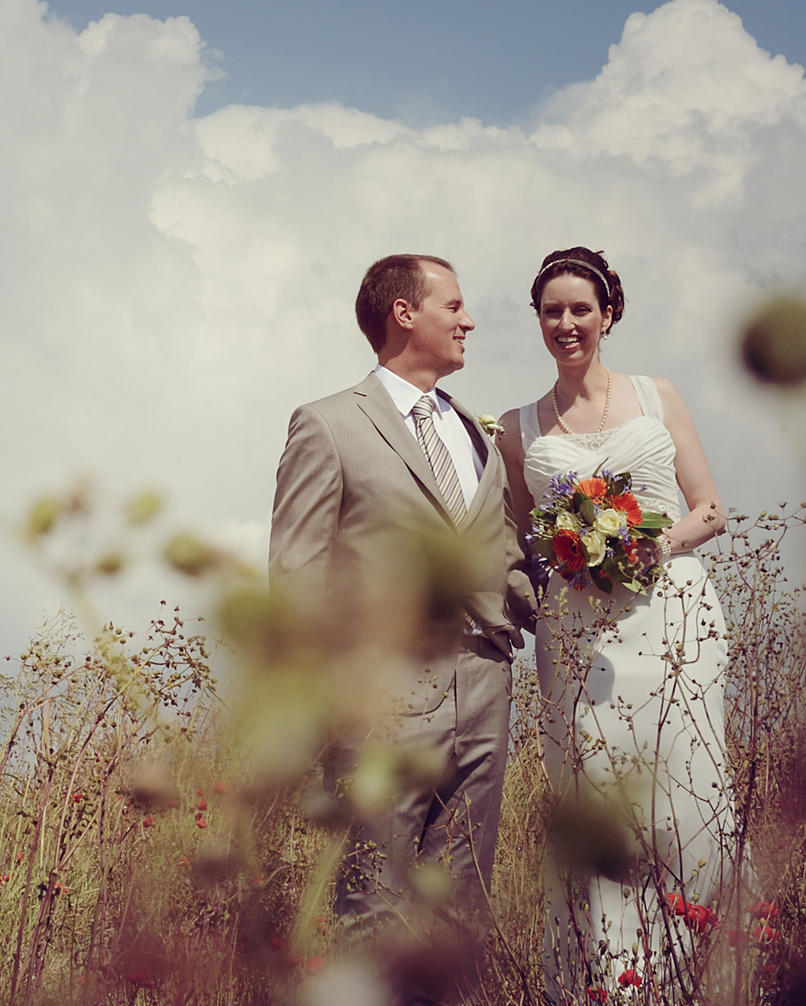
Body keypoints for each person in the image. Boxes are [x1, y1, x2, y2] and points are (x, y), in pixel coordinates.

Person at [270, 254, 535, 1001]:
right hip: (381, 695)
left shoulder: (477, 430)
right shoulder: (327, 424)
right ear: (404, 314)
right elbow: (295, 577)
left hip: (485, 685)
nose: (469, 319)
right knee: (374, 903)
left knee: (463, 908)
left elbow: (502, 548)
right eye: (453, 305)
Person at [494, 247, 730, 1001]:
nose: (566, 323)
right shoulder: (517, 426)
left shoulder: (657, 396)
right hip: (579, 640)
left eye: (579, 309)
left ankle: (711, 971)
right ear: (537, 320)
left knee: (685, 793)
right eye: (551, 311)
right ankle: (615, 985)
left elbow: (712, 510)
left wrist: (652, 544)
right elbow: (520, 545)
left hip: (673, 618)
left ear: (608, 314)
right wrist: (564, 571)